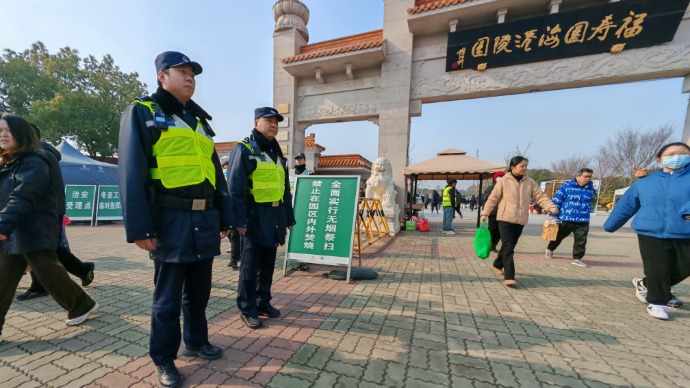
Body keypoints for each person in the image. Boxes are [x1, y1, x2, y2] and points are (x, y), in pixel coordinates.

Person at [118, 51, 232, 388]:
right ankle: (164, 358)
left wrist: (224, 216)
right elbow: (132, 171)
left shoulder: (199, 122)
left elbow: (216, 175)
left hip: (205, 218)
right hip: (170, 219)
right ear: (161, 77)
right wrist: (140, 227)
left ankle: (196, 341)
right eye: (181, 71)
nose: (189, 78)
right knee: (167, 299)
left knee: (199, 293)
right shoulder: (144, 112)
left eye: (193, 74)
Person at [0, 113, 98, 345]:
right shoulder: (7, 162)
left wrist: (3, 224)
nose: (3, 135)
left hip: (33, 229)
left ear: (21, 133)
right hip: (13, 232)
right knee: (4, 280)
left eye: (8, 130)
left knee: (49, 274)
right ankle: (81, 303)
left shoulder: (34, 161)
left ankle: (80, 304)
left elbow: (22, 197)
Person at [226, 107, 295, 330]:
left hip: (274, 216)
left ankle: (263, 302)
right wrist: (239, 222)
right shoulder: (244, 149)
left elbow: (284, 188)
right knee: (249, 266)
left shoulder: (276, 153)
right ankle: (247, 308)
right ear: (256, 123)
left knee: (267, 264)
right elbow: (235, 188)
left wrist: (288, 217)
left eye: (276, 121)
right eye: (269, 120)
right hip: (253, 216)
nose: (274, 124)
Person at [604, 142, 690, 320]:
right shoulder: (645, 182)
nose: (677, 156)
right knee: (658, 267)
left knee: (685, 266)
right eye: (672, 153)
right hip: (650, 231)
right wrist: (611, 225)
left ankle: (645, 283)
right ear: (659, 159)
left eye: (683, 153)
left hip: (685, 231)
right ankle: (658, 302)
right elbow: (627, 204)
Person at [481, 156, 557, 287]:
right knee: (509, 246)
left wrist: (550, 206)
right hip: (504, 219)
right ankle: (509, 276)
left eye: (526, 166)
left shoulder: (530, 182)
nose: (525, 168)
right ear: (513, 167)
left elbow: (540, 196)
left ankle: (497, 263)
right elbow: (492, 199)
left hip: (520, 220)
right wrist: (484, 214)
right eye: (522, 166)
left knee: (509, 245)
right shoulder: (503, 181)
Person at [544, 168, 596, 267]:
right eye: (585, 176)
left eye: (590, 177)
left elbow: (591, 203)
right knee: (559, 237)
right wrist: (552, 215)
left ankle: (577, 258)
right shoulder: (565, 188)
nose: (588, 179)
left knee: (581, 240)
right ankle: (550, 248)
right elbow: (556, 202)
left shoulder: (591, 190)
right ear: (578, 176)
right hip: (565, 218)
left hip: (583, 220)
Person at [484, 171, 505, 253]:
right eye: (498, 177)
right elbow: (486, 200)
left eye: (502, 176)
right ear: (495, 178)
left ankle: (493, 246)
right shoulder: (490, 188)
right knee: (492, 229)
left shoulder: (506, 188)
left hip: (503, 212)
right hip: (493, 212)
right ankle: (489, 245)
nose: (500, 178)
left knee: (500, 231)